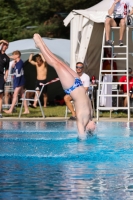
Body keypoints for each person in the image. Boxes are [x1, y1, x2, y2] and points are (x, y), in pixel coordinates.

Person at [33, 33, 95, 139]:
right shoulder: (90, 116)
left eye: (94, 128)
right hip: (78, 82)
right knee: (60, 62)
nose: (95, 127)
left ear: (88, 128)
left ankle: (40, 46)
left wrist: (83, 140)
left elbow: (81, 136)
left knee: (56, 65)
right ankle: (42, 44)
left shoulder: (82, 120)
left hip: (71, 87)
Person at [0, 40, 10, 118]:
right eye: (4, 45)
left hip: (1, 76)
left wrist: (5, 77)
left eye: (6, 45)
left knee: (0, 95)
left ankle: (0, 112)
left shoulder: (7, 58)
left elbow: (6, 69)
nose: (5, 46)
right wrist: (2, 41)